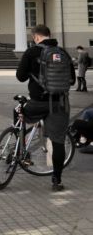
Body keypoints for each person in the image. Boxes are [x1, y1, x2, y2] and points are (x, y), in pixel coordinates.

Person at [16, 25, 75, 191]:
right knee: (58, 142)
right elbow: (72, 80)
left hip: (38, 103)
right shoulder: (62, 52)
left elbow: (20, 77)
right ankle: (57, 181)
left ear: (35, 37)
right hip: (59, 103)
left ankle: (21, 151)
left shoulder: (31, 52)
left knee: (18, 112)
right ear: (50, 35)